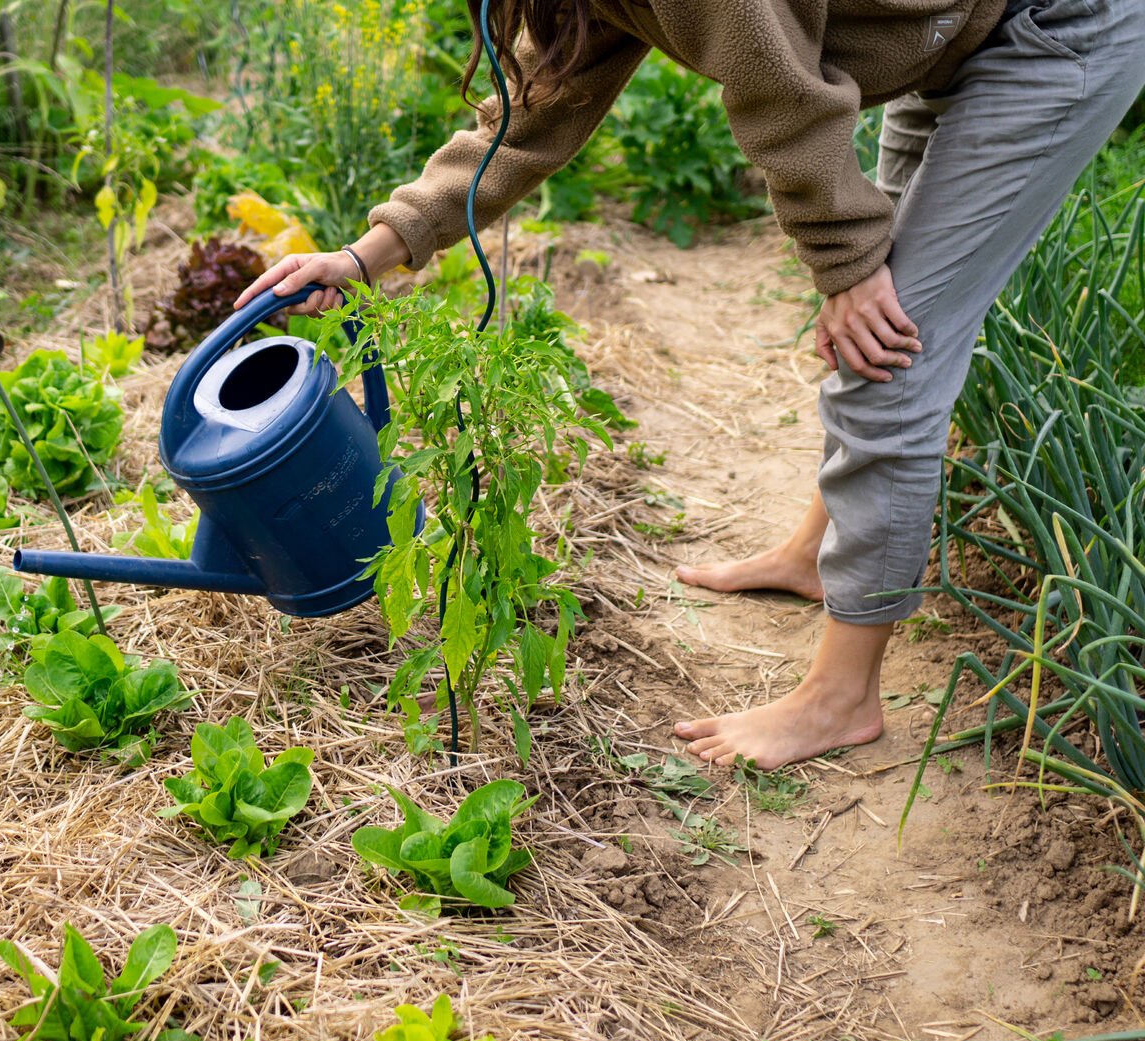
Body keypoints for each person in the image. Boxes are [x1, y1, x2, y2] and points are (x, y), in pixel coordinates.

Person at [234, 0, 1145, 769]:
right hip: (948, 43)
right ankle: (812, 559)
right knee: (884, 329)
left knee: (888, 354)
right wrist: (369, 253)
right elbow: (527, 119)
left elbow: (780, 87)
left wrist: (847, 260)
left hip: (1051, 29)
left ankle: (842, 697)